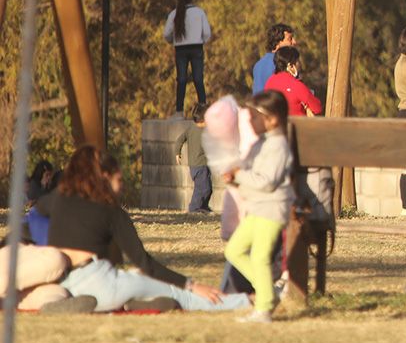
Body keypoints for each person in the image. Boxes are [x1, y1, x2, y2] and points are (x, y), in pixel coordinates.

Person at [38, 146, 248, 312]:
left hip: (66, 285)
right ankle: (246, 302)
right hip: (103, 284)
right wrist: (191, 285)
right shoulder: (111, 211)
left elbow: (36, 213)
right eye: (119, 180)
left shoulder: (58, 201)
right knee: (178, 293)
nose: (122, 186)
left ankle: (136, 302)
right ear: (105, 177)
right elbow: (145, 262)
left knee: (136, 278)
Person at [223, 91, 294, 323]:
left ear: (272, 119)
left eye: (254, 117)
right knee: (234, 250)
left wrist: (240, 175)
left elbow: (266, 181)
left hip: (271, 210)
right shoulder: (260, 144)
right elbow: (249, 174)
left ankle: (263, 308)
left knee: (260, 257)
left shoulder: (278, 146)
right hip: (257, 209)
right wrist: (235, 177)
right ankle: (268, 293)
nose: (250, 122)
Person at [163, 0, 212, 116]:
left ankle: (179, 111)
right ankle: (203, 109)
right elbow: (207, 33)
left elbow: (166, 34)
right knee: (198, 79)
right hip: (196, 47)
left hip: (180, 49)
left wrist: (173, 41)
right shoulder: (199, 12)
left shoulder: (174, 14)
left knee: (182, 80)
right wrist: (201, 40)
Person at [175, 105, 213, 213]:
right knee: (202, 188)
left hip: (203, 164)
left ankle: (203, 207)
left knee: (208, 188)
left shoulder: (200, 129)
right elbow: (180, 140)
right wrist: (177, 152)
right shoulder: (194, 129)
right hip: (198, 165)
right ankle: (194, 208)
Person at [264, 46, 323, 117]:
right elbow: (317, 108)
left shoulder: (269, 82)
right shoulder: (296, 85)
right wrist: (307, 107)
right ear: (291, 66)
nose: (300, 64)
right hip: (297, 126)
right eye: (298, 61)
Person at [252, 23, 296, 94]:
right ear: (278, 42)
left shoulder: (258, 64)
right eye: (289, 39)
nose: (294, 42)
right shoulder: (280, 64)